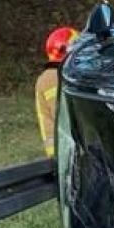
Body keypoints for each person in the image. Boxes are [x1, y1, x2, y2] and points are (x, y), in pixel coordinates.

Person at [35, 27, 79, 156]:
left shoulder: (48, 78)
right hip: (67, 150)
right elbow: (64, 116)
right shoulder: (57, 77)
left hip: (60, 149)